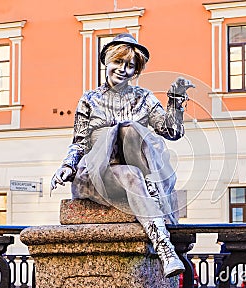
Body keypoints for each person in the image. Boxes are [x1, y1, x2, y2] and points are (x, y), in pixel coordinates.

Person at [50, 33, 195, 278]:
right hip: (96, 175)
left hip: (129, 174)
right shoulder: (89, 99)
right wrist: (66, 166)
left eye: (130, 66)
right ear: (107, 61)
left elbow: (171, 131)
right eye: (119, 62)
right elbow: (79, 142)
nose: (124, 70)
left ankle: (165, 249)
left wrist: (176, 102)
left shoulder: (144, 98)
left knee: (132, 165)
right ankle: (154, 192)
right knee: (123, 129)